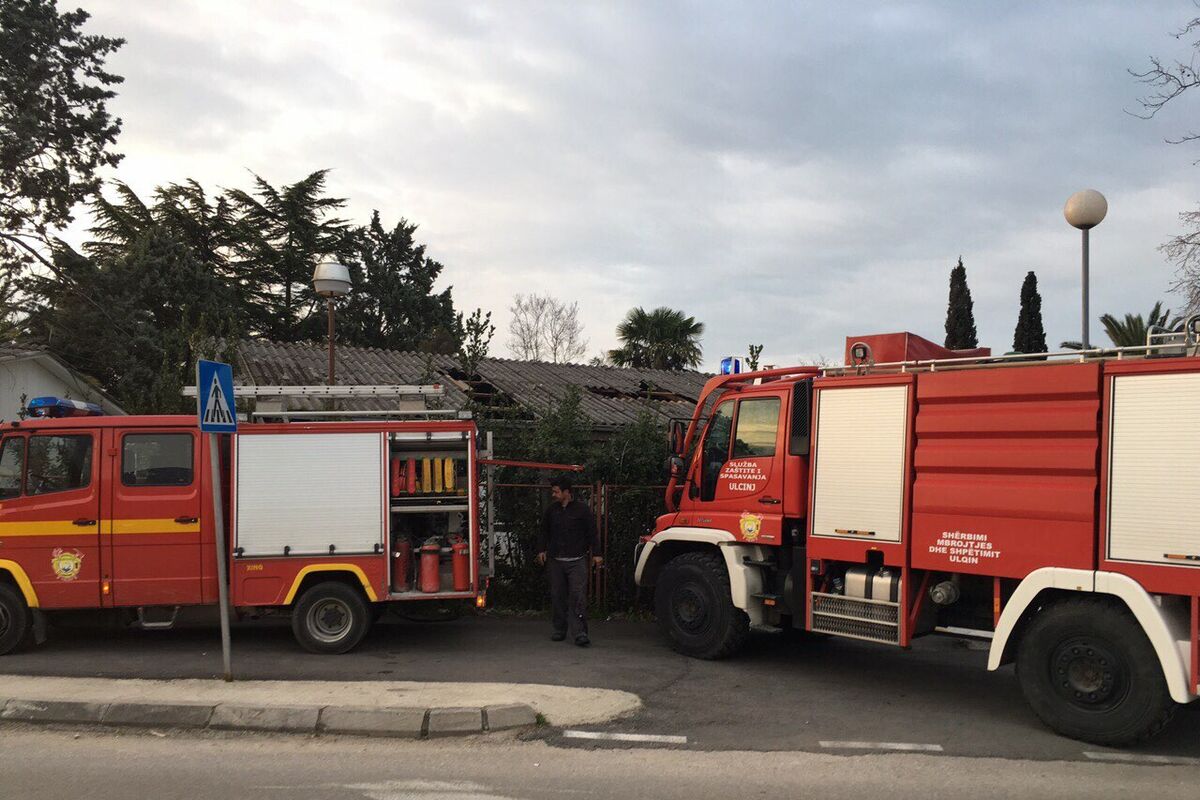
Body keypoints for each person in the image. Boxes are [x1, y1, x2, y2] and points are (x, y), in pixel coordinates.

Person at [536, 475, 603, 646]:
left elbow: (592, 532)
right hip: (556, 560)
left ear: (567, 492)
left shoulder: (582, 510)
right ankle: (559, 629)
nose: (554, 495)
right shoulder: (552, 511)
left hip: (577, 560)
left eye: (556, 492)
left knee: (577, 596)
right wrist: (541, 549)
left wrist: (597, 553)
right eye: (553, 492)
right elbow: (544, 530)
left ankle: (580, 632)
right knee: (557, 595)